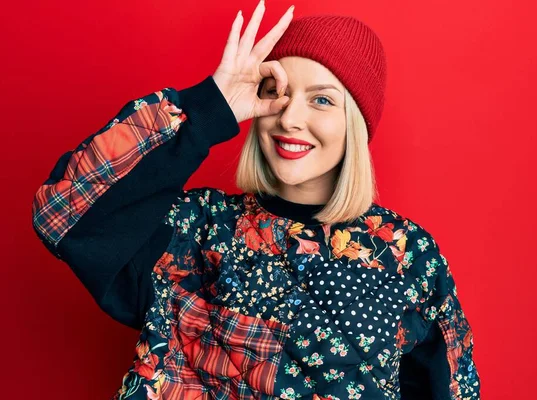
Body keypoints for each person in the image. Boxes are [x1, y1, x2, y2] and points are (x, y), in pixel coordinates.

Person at [31, 1, 480, 399]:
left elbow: (453, 387)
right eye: (277, 92)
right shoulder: (196, 229)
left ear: (356, 126)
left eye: (322, 100)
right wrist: (212, 106)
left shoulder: (408, 254)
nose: (290, 117)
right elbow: (64, 214)